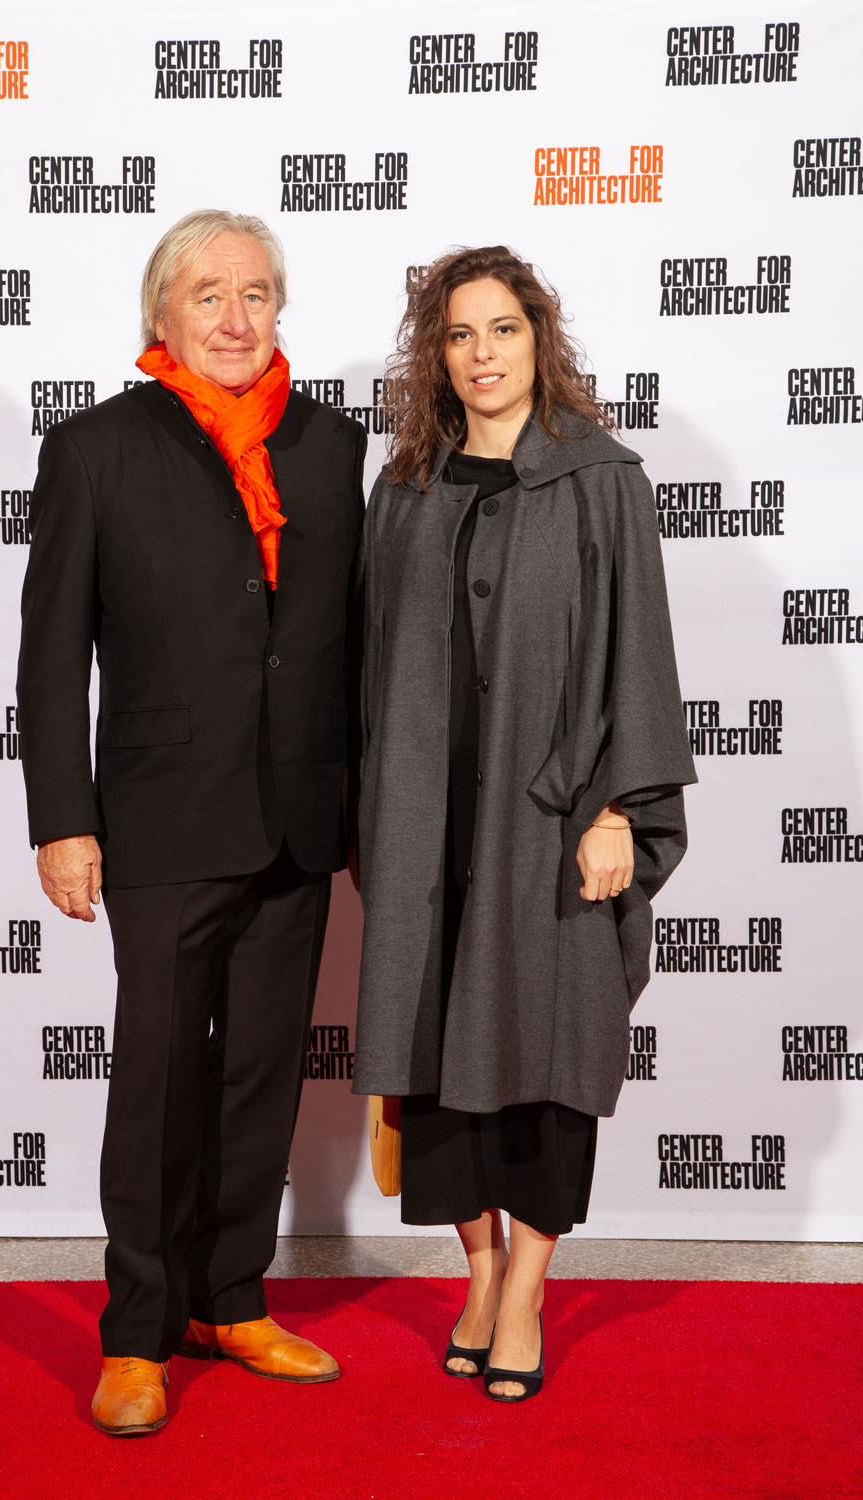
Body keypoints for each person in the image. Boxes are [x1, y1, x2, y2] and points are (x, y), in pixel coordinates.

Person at [17, 210, 366, 1435]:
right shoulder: (98, 448)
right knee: (159, 1076)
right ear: (162, 313)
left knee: (264, 1071)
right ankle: (135, 1330)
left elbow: (346, 645)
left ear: (281, 311)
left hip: (297, 817)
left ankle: (231, 1293)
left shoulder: (332, 446)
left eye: (257, 294)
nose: (235, 318)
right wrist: (62, 817)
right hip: (161, 817)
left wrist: (364, 810)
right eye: (209, 295)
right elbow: (53, 653)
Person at [351, 245, 696, 1402]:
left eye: (501, 329)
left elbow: (637, 655)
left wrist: (617, 809)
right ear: (433, 356)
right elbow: (371, 668)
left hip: (548, 827)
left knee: (548, 1055)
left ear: (538, 337)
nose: (481, 354)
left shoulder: (602, 478)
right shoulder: (404, 488)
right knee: (436, 1066)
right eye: (457, 335)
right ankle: (480, 1269)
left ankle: (530, 1288)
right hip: (425, 823)